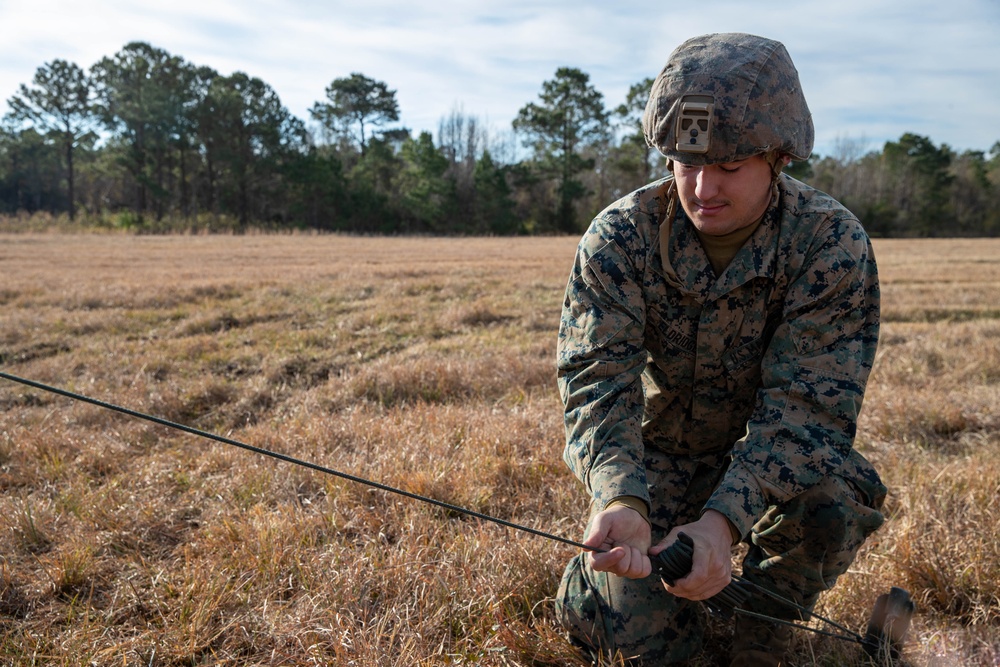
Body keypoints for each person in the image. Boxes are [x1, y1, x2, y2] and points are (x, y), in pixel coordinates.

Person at [553, 32, 887, 666]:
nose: (703, 186)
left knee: (834, 502)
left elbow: (807, 414)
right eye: (684, 162)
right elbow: (598, 383)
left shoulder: (830, 243)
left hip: (766, 467)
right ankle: (596, 595)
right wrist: (620, 498)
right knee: (640, 639)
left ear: (779, 157)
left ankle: (762, 631)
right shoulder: (620, 238)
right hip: (659, 465)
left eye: (729, 167)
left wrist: (722, 524)